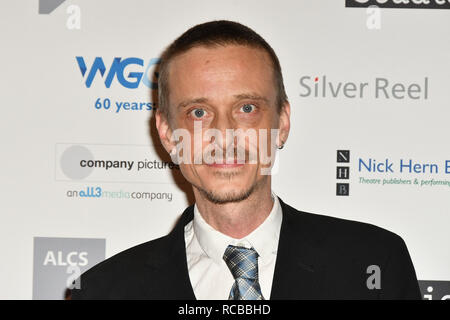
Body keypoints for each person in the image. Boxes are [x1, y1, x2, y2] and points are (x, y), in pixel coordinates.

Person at [70, 20, 421, 300]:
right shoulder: (105, 290)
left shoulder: (373, 263)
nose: (224, 134)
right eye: (198, 112)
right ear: (166, 134)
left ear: (281, 123)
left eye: (247, 108)